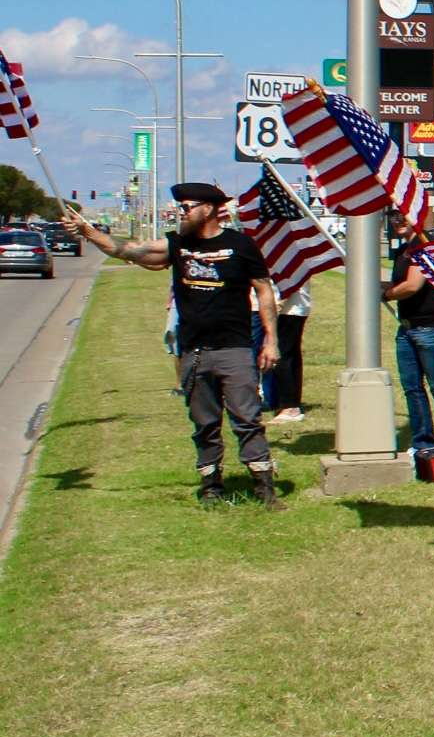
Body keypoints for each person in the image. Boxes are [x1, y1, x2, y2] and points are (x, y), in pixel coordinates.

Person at [62, 183, 286, 507]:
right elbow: (127, 251)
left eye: (186, 207)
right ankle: (211, 486)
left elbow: (264, 291)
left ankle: (264, 488)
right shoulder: (177, 244)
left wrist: (271, 341)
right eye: (180, 207)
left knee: (247, 419)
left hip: (234, 349)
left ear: (208, 208)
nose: (181, 212)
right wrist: (87, 231)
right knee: (205, 424)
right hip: (194, 352)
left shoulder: (241, 245)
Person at [385, 221, 434, 463]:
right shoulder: (403, 249)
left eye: (401, 215)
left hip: (432, 327)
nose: (396, 219)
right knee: (412, 389)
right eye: (393, 214)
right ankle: (422, 443)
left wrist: (384, 293)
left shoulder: (425, 245)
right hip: (408, 327)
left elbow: (411, 286)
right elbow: (399, 284)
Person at [263, 284, 312, 423]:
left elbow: (291, 281)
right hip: (292, 308)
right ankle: (288, 403)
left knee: (283, 355)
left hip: (290, 309)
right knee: (289, 355)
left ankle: (290, 407)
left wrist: (276, 305)